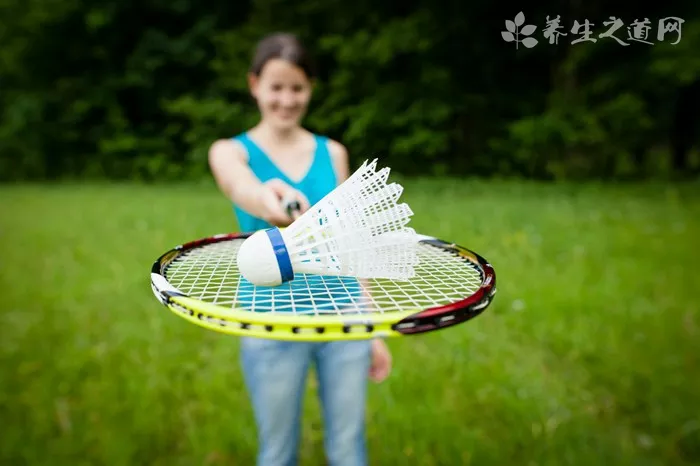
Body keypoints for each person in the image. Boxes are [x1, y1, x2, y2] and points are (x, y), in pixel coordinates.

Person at [207, 32, 392, 466]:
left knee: (348, 448)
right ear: (254, 85)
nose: (286, 99)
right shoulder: (231, 152)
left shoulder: (334, 153)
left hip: (342, 316)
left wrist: (373, 328)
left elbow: (352, 243)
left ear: (310, 89)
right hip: (270, 322)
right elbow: (241, 186)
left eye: (297, 88)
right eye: (276, 87)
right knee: (276, 453)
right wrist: (266, 198)